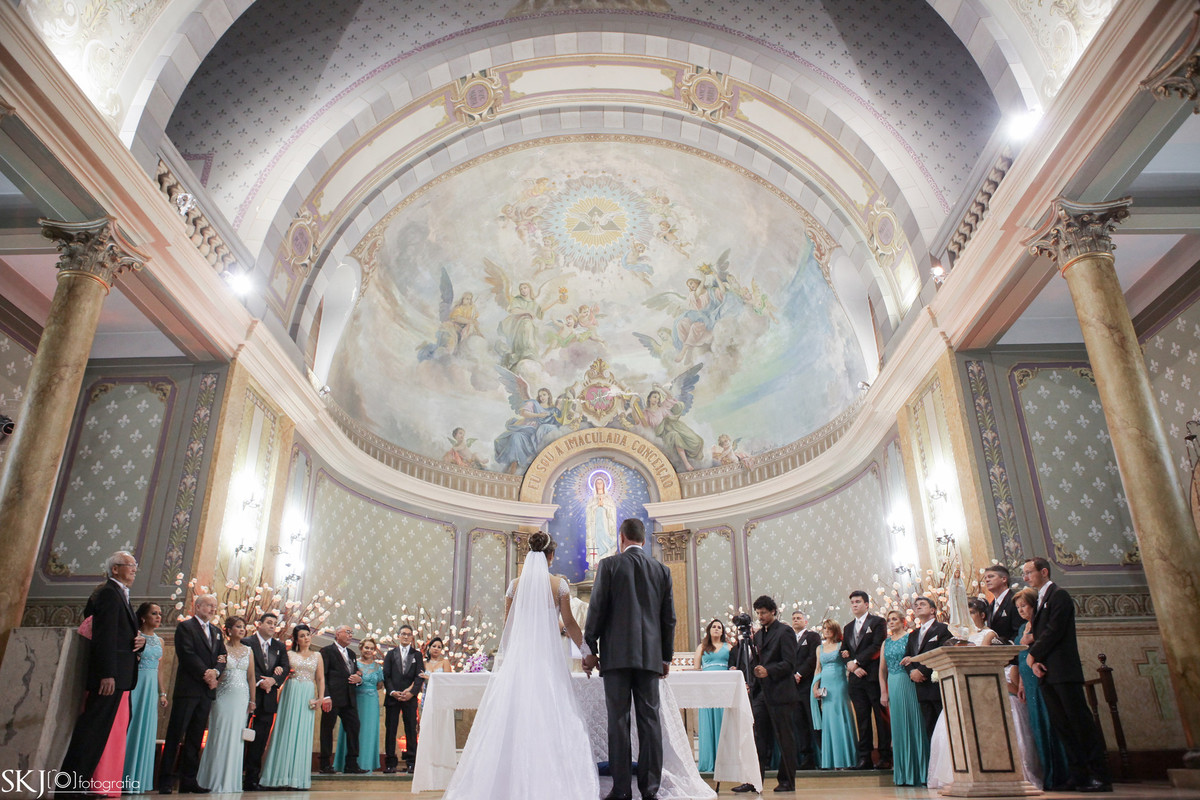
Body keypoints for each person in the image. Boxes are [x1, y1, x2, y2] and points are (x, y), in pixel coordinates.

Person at [442, 531, 597, 800]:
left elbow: (508, 627)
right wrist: (587, 652)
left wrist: (514, 655)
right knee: (553, 716)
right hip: (548, 663)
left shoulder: (515, 585)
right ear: (550, 556)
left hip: (520, 662)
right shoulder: (558, 584)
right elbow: (570, 624)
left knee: (513, 717)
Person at [584, 518, 676, 800]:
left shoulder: (609, 565)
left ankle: (621, 790)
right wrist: (665, 657)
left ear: (621, 538)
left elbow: (597, 608)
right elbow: (668, 618)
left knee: (618, 722)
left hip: (616, 658)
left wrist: (591, 647)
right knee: (650, 722)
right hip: (649, 657)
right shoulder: (662, 569)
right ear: (644, 540)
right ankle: (650, 790)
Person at [1021, 557, 1111, 793]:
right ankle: (1078, 775)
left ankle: (1099, 775)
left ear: (1044, 571)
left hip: (1063, 670)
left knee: (1079, 723)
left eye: (1029, 572)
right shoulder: (1040, 599)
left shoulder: (1058, 596)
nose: (1025, 577)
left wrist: (1033, 655)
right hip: (1047, 671)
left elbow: (1054, 631)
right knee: (1063, 726)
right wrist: (1037, 662)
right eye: (1024, 573)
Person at [60, 551, 144, 798]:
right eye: (129, 565)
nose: (134, 569)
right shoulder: (109, 593)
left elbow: (119, 635)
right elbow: (104, 635)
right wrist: (107, 673)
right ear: (115, 569)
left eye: (135, 565)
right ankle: (69, 789)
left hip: (119, 674)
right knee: (90, 733)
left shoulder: (120, 594)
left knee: (97, 736)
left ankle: (78, 786)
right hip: (110, 675)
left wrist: (140, 642)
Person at [925, 599, 1000, 789]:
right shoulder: (957, 637)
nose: (968, 618)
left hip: (978, 687)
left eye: (972, 613)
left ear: (982, 615)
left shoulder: (988, 633)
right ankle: (956, 774)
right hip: (958, 689)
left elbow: (981, 658)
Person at [158, 593, 226, 794]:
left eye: (215, 606)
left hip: (206, 691)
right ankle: (166, 781)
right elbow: (187, 653)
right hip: (188, 689)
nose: (213, 609)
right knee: (176, 734)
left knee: (196, 738)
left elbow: (222, 655)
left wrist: (216, 672)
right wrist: (206, 672)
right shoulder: (186, 627)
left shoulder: (216, 631)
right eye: (208, 606)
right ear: (197, 607)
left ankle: (188, 780)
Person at [732, 596, 799, 794]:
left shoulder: (784, 631)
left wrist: (769, 670)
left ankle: (787, 781)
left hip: (781, 693)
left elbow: (789, 663)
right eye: (758, 613)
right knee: (757, 738)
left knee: (784, 738)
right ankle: (754, 780)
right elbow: (754, 662)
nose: (760, 616)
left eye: (763, 613)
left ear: (773, 612)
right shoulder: (758, 635)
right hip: (761, 692)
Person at [1013, 587, 1070, 790]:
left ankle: (1062, 774)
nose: (1020, 610)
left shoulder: (1042, 626)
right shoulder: (1022, 629)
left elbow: (1046, 646)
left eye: (1024, 605)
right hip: (1027, 680)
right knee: (1036, 726)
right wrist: (1020, 683)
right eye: (1018, 607)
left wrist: (1034, 641)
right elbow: (1021, 656)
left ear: (1034, 605)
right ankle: (1048, 774)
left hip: (1041, 676)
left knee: (1050, 723)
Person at [261, 624, 325, 790]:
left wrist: (320, 698)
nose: (306, 638)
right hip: (291, 691)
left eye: (308, 635)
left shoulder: (317, 655)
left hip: (307, 693)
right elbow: (280, 671)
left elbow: (320, 679)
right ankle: (277, 777)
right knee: (285, 729)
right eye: (302, 635)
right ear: (296, 639)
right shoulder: (288, 654)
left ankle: (297, 779)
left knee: (303, 732)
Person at [196, 616, 255, 793]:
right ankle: (211, 779)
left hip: (242, 698)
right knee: (218, 735)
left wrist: (252, 700)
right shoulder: (220, 649)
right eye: (238, 626)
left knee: (237, 738)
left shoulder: (249, 651)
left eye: (243, 627)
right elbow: (217, 673)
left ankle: (230, 782)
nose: (242, 629)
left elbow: (251, 677)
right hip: (222, 696)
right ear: (228, 630)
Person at [842, 590, 889, 769]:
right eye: (852, 602)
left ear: (867, 604)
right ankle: (865, 757)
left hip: (873, 676)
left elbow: (878, 646)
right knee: (862, 718)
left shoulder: (877, 622)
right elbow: (844, 651)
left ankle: (885, 756)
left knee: (880, 717)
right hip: (856, 680)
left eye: (858, 601)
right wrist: (850, 664)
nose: (854, 605)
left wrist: (857, 662)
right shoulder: (847, 628)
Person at [879, 609, 927, 786]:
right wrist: (883, 692)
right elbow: (882, 670)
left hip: (909, 682)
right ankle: (903, 775)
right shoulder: (886, 642)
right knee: (898, 727)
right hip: (893, 683)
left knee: (915, 724)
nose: (891, 622)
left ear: (902, 621)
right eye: (888, 620)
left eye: (894, 619)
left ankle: (921, 773)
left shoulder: (911, 637)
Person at [243, 612, 288, 790]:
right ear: (259, 624)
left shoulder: (279, 646)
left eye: (274, 624)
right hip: (248, 696)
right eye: (269, 622)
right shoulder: (247, 642)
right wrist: (260, 682)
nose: (272, 626)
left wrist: (274, 681)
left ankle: (252, 779)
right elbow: (244, 666)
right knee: (241, 735)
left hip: (269, 699)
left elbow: (285, 667)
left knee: (260, 739)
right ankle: (235, 772)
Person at [124, 602, 166, 794]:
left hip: (151, 689)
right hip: (136, 685)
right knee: (129, 726)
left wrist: (162, 692)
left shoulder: (160, 641)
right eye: (154, 613)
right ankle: (121, 775)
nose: (158, 617)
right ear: (143, 617)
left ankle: (138, 779)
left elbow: (160, 669)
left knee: (146, 728)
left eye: (160, 614)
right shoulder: (135, 636)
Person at [901, 595, 952, 743]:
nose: (917, 606)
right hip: (921, 686)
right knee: (929, 727)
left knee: (944, 725)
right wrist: (911, 671)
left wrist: (922, 671)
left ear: (933, 610)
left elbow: (941, 651)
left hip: (936, 685)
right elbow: (906, 657)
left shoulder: (942, 628)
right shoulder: (913, 634)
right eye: (916, 605)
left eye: (922, 604)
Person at [318, 624, 366, 774]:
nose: (351, 635)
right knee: (327, 729)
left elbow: (354, 672)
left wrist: (359, 679)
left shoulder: (351, 653)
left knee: (354, 727)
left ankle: (352, 763)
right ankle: (325, 764)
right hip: (332, 697)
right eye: (348, 632)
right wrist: (325, 696)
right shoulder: (326, 651)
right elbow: (322, 676)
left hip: (349, 698)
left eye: (352, 633)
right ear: (337, 634)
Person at [335, 637, 384, 772]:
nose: (369, 650)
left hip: (371, 701)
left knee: (368, 731)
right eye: (366, 647)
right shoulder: (353, 663)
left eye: (372, 648)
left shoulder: (378, 667)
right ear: (361, 648)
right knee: (353, 729)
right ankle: (350, 763)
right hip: (355, 700)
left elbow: (380, 685)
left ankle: (366, 764)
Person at [382, 624, 424, 773]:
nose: (406, 636)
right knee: (391, 730)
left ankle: (412, 762)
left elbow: (420, 676)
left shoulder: (417, 655)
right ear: (398, 636)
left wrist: (412, 692)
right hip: (393, 698)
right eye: (403, 634)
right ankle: (390, 763)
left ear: (412, 637)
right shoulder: (390, 654)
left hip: (410, 698)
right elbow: (386, 675)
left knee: (411, 730)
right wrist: (392, 691)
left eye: (408, 634)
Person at [692, 619, 730, 773]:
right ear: (708, 630)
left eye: (719, 627)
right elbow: (696, 670)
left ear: (722, 631)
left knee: (723, 722)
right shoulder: (701, 647)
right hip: (707, 689)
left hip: (723, 689)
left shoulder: (729, 647)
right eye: (713, 626)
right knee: (707, 723)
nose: (716, 629)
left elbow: (735, 664)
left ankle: (725, 763)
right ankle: (708, 762)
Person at [790, 610, 821, 770]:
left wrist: (799, 673)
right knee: (799, 723)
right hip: (793, 688)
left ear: (806, 621)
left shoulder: (812, 636)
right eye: (793, 618)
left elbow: (813, 658)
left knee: (813, 720)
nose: (795, 620)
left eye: (799, 618)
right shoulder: (788, 639)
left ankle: (823, 757)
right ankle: (806, 758)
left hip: (808, 684)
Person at [585, 474, 619, 571]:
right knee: (595, 542)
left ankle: (607, 563)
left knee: (606, 541)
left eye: (600, 483)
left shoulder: (609, 498)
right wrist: (596, 506)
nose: (599, 485)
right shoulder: (591, 499)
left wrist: (604, 505)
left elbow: (613, 511)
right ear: (595, 485)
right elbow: (588, 512)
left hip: (606, 525)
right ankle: (596, 564)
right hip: (595, 526)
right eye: (597, 483)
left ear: (604, 485)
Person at [984, 564, 1019, 644]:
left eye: (991, 576)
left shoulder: (1015, 600)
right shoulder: (991, 605)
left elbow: (1019, 629)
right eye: (985, 578)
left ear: (1004, 579)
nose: (987, 580)